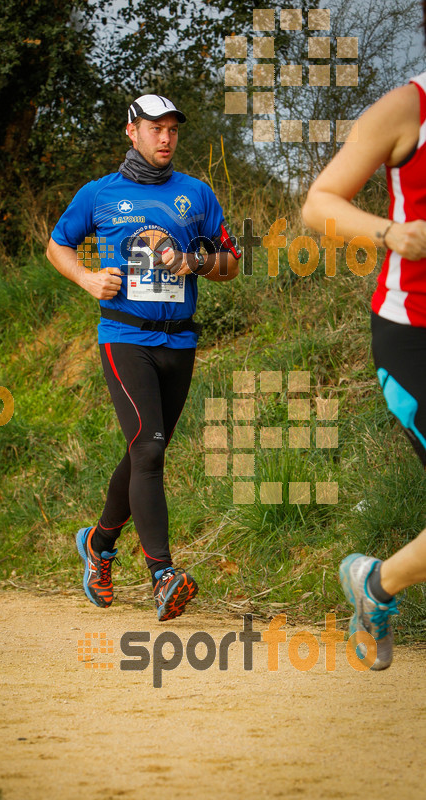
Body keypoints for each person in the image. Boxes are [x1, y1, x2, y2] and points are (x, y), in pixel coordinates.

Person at [46, 94, 240, 620]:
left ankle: (99, 544)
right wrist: (87, 278)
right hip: (125, 338)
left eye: (173, 130)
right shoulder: (99, 194)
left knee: (143, 450)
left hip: (181, 342)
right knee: (149, 450)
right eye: (156, 128)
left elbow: (230, 262)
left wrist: (194, 261)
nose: (166, 138)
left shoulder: (196, 194)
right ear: (131, 131)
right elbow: (57, 245)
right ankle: (162, 575)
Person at [302, 2, 426, 669]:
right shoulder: (405, 108)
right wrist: (390, 234)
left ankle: (373, 585)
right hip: (413, 334)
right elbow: (318, 202)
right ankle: (375, 587)